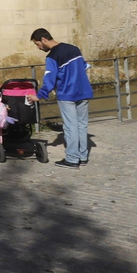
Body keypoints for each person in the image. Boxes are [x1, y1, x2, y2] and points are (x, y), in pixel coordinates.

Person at [31, 28, 94, 169]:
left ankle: (72, 159)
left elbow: (50, 80)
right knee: (82, 125)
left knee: (70, 127)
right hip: (83, 91)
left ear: (44, 39)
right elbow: (85, 66)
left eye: (37, 44)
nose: (38, 48)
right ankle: (83, 157)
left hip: (67, 94)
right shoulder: (74, 49)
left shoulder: (52, 57)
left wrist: (38, 96)